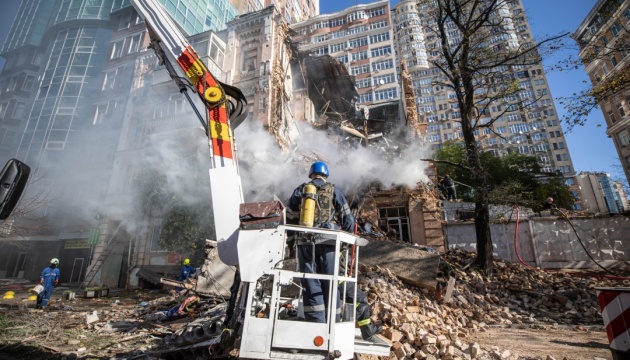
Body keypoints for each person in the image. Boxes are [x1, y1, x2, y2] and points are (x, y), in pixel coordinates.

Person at [287, 161, 381, 340]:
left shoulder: (300, 190)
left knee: (311, 284)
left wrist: (291, 243)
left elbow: (290, 216)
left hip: (305, 243)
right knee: (333, 283)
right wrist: (344, 244)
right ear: (326, 175)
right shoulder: (334, 190)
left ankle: (316, 329)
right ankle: (332, 329)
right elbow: (348, 219)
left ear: (311, 174)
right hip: (330, 243)